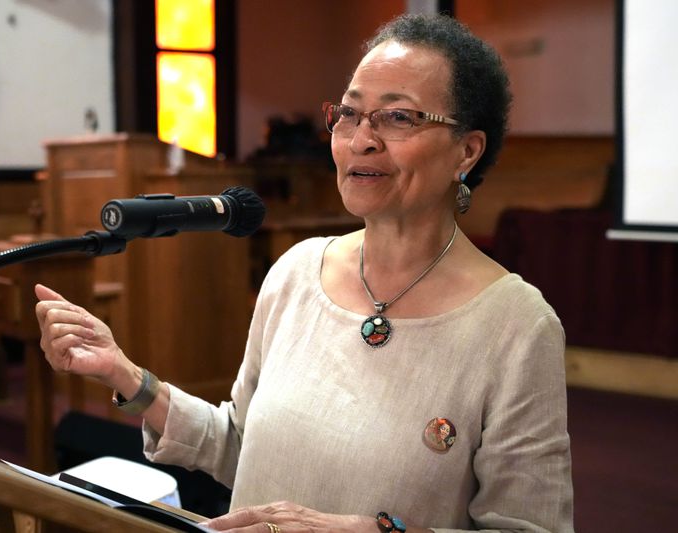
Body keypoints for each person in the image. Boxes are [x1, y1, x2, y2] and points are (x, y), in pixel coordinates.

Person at [35, 13, 573, 533]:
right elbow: (242, 446)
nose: (361, 138)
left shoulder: (517, 326)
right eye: (349, 113)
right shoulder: (296, 271)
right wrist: (125, 375)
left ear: (467, 151)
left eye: (399, 117)